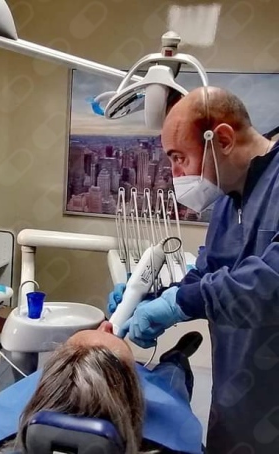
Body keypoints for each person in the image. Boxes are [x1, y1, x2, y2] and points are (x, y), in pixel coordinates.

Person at [110, 86, 279, 452]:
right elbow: (206, 274)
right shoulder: (227, 200)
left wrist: (179, 303)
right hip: (235, 397)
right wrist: (152, 297)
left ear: (223, 139)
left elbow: (270, 284)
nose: (175, 174)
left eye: (179, 157)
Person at [0, 322, 204, 454]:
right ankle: (177, 356)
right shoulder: (177, 442)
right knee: (172, 376)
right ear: (134, 382)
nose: (106, 325)